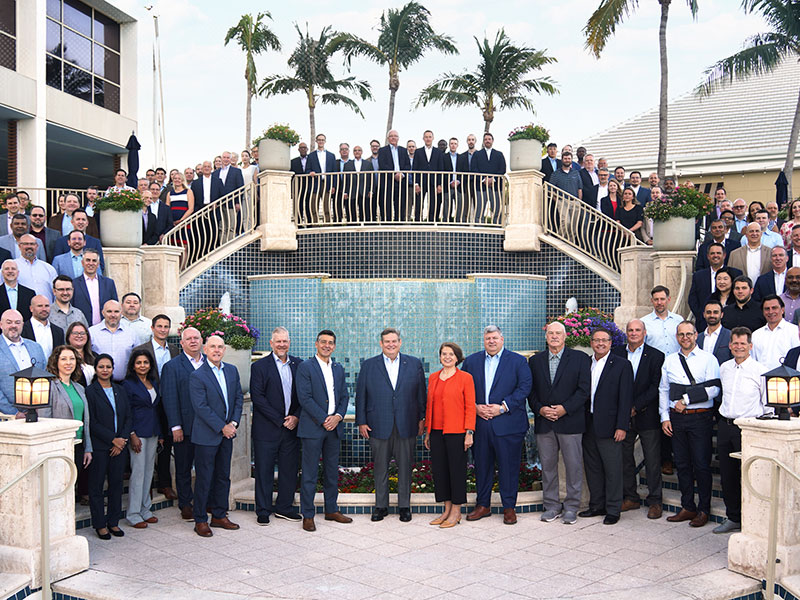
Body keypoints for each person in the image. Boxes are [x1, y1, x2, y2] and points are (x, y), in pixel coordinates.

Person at [462, 325, 532, 525]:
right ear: (483, 341)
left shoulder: (518, 361)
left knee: (509, 468)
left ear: (502, 339)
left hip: (508, 424)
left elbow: (525, 387)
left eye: (494, 338)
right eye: (487, 338)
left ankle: (509, 508)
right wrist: (475, 408)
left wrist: (502, 407)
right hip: (481, 423)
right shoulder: (472, 361)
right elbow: (463, 388)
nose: (491, 341)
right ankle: (483, 505)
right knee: (482, 466)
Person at [355, 328, 426, 523]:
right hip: (378, 424)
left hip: (407, 423)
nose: (391, 344)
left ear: (400, 342)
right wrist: (361, 421)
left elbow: (421, 394)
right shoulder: (369, 365)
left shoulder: (414, 364)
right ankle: (381, 506)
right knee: (380, 468)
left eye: (394, 341)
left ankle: (404, 506)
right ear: (381, 343)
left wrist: (422, 418)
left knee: (405, 467)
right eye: (387, 341)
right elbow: (361, 395)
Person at [528, 321, 591, 525]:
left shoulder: (580, 358)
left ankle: (572, 506)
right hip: (544, 422)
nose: (554, 336)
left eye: (558, 333)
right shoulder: (535, 361)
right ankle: (552, 506)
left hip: (570, 421)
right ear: (546, 337)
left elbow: (584, 390)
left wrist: (565, 408)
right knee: (548, 467)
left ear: (565, 337)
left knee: (573, 466)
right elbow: (531, 391)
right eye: (551, 333)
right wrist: (540, 409)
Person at [659, 321, 721, 528]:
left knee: (701, 465)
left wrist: (686, 399)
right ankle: (688, 506)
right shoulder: (670, 360)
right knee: (683, 464)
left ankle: (704, 509)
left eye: (689, 334)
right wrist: (664, 417)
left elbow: (714, 389)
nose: (685, 338)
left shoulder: (708, 359)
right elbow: (664, 390)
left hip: (700, 418)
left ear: (696, 335)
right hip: (676, 419)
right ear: (677, 337)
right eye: (681, 334)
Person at [715, 327, 769, 534]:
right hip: (725, 426)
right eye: (735, 343)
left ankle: (752, 521)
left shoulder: (760, 370)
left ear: (750, 346)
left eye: (743, 344)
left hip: (747, 428)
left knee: (748, 475)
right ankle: (733, 517)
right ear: (730, 346)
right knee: (727, 475)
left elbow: (767, 405)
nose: (739, 347)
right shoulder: (724, 368)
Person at [296, 330, 351, 532]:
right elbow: (305, 398)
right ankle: (308, 515)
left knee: (331, 472)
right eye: (323, 342)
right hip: (313, 428)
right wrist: (324, 419)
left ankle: (331, 509)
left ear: (334, 346)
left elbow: (344, 397)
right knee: (309, 473)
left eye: (331, 343)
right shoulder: (305, 367)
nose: (327, 345)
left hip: (334, 429)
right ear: (316, 344)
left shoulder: (338, 368)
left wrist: (337, 417)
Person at [189, 335, 244, 537]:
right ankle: (201, 519)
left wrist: (234, 423)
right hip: (207, 436)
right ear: (205, 349)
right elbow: (201, 407)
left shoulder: (231, 370)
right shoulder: (198, 375)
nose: (217, 350)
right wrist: (222, 427)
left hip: (227, 434)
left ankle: (219, 515)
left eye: (220, 347)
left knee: (223, 476)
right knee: (204, 478)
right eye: (212, 346)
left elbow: (238, 398)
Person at [578, 328, 632, 525]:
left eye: (604, 340)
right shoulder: (586, 363)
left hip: (610, 426)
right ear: (591, 343)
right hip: (588, 423)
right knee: (592, 467)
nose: (600, 343)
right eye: (596, 340)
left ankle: (613, 509)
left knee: (612, 469)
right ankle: (597, 505)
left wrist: (622, 426)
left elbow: (625, 398)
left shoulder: (621, 365)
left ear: (611, 343)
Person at [250, 327, 303, 525]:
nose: (282, 345)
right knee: (264, 470)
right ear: (271, 344)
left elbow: (305, 396)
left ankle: (284, 508)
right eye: (278, 341)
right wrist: (281, 419)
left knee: (289, 470)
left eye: (285, 341)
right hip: (267, 428)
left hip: (292, 429)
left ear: (289, 343)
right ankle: (263, 510)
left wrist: (296, 417)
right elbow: (258, 398)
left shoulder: (299, 365)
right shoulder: (259, 367)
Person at [612, 319, 665, 519]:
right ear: (626, 333)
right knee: (625, 458)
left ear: (644, 333)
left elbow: (655, 386)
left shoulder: (656, 356)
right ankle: (631, 498)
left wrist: (635, 406)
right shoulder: (617, 353)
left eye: (637, 330)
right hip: (623, 417)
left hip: (647, 415)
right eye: (630, 330)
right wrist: (624, 409)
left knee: (652, 460)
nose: (633, 333)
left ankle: (655, 501)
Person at [424, 342, 475, 528]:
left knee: (456, 471)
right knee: (440, 471)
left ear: (457, 357)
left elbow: (470, 406)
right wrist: (428, 432)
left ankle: (456, 511)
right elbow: (430, 406)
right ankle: (446, 510)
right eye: (444, 354)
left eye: (451, 354)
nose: (447, 357)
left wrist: (469, 433)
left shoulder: (465, 378)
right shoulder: (434, 377)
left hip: (457, 432)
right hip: (436, 432)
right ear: (439, 356)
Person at [160, 327, 205, 521]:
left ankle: (204, 501)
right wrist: (175, 426)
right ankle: (186, 504)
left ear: (201, 341)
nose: (193, 341)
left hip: (207, 427)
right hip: (184, 427)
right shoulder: (172, 366)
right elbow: (169, 398)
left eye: (196, 338)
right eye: (189, 339)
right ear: (182, 342)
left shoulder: (209, 363)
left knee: (205, 467)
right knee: (183, 467)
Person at [134, 315, 179, 501]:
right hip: (147, 402)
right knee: (147, 444)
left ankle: (164, 483)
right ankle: (146, 485)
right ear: (152, 328)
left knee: (166, 443)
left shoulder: (175, 350)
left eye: (166, 326)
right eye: (159, 326)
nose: (162, 329)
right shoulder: (141, 350)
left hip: (168, 402)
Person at [86, 354, 131, 539]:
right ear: (95, 369)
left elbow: (128, 417)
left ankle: (113, 522)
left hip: (119, 446)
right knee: (96, 487)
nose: (105, 370)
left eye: (108, 367)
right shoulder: (90, 391)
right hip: (100, 446)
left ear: (113, 369)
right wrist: (113, 439)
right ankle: (99, 524)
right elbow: (92, 422)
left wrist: (122, 440)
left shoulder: (120, 390)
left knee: (116, 485)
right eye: (101, 367)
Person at [46, 344, 92, 504]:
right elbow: (45, 420)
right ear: (55, 362)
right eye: (63, 359)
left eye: (72, 359)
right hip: (59, 446)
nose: (68, 362)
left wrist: (88, 448)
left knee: (72, 484)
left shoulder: (79, 388)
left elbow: (86, 420)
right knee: (60, 487)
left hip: (78, 444)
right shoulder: (49, 387)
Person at [122, 349, 162, 528]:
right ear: (133, 365)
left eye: (145, 362)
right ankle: (133, 513)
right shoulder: (128, 384)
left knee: (148, 473)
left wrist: (160, 433)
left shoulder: (153, 381)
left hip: (152, 431)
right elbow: (126, 412)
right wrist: (132, 434)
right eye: (139, 363)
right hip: (137, 433)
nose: (142, 366)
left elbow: (156, 409)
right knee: (137, 474)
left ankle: (146, 509)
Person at [0, 309, 47, 415]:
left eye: (17, 322)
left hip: (37, 413)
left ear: (22, 324)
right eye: (9, 322)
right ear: (1, 324)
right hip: (5, 418)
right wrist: (14, 413)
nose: (13, 326)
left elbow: (45, 377)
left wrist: (40, 409)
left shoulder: (36, 347)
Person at [688, 243, 741, 330]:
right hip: (704, 323)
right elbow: (692, 299)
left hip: (731, 323)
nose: (715, 255)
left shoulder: (736, 273)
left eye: (718, 253)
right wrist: (703, 315)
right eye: (712, 253)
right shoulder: (698, 276)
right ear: (708, 256)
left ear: (724, 255)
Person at [89, 300, 136, 382]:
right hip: (99, 384)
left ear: (121, 313)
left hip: (125, 384)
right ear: (103, 313)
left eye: (116, 311)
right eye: (109, 311)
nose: (113, 315)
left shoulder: (131, 333)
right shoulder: (92, 333)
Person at [751, 295, 800, 369]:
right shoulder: (756, 335)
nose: (770, 312)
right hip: (761, 378)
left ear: (782, 310)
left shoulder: (794, 331)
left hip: (787, 378)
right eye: (767, 309)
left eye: (774, 308)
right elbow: (753, 360)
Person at [72, 249, 118, 326]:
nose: (91, 263)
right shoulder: (74, 284)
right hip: (81, 328)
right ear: (82, 263)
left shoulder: (109, 283)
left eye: (94, 261)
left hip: (104, 328)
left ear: (98, 264)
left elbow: (115, 305)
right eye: (88, 260)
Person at [471, 133, 506, 224]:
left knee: (497, 209)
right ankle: (479, 229)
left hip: (496, 187)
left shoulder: (499, 154)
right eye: (485, 139)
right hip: (481, 187)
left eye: (489, 139)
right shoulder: (477, 154)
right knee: (479, 209)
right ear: (483, 141)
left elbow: (502, 169)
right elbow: (474, 169)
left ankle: (497, 228)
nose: (487, 141)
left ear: (492, 141)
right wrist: (484, 179)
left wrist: (492, 179)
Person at [377, 130, 411, 222]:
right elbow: (382, 165)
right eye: (391, 136)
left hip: (401, 181)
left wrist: (402, 174)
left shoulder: (403, 150)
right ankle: (386, 225)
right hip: (388, 181)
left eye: (395, 136)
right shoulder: (382, 150)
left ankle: (399, 224)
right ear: (388, 138)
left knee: (400, 203)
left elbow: (408, 165)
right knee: (386, 203)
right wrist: (394, 174)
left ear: (398, 138)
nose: (393, 138)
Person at [305, 134, 338, 223]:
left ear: (325, 141)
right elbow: (307, 169)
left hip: (326, 184)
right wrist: (310, 172)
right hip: (315, 184)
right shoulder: (311, 156)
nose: (321, 141)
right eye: (319, 140)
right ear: (316, 141)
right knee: (313, 206)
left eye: (322, 140)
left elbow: (334, 172)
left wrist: (333, 185)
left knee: (326, 207)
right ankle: (315, 226)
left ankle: (326, 226)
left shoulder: (331, 156)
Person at [641, 286, 682, 356]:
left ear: (668, 299)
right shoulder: (644, 322)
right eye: (656, 299)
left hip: (675, 364)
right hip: (654, 365)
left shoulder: (679, 320)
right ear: (652, 301)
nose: (659, 302)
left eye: (662, 299)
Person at [14, 234, 57, 301]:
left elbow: (56, 292)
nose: (29, 246)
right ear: (19, 246)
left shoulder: (48, 268)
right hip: (22, 309)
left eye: (32, 244)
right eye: (26, 244)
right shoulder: (12, 267)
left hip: (46, 310)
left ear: (37, 246)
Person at [697, 300, 733, 366]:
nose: (712, 315)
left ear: (721, 314)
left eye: (715, 312)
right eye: (708, 312)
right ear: (704, 315)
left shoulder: (730, 336)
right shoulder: (698, 338)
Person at [165, 170, 193, 240]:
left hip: (184, 222)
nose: (177, 180)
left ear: (182, 180)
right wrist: (171, 221)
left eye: (179, 178)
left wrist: (181, 220)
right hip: (172, 223)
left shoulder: (188, 191)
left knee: (184, 244)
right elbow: (167, 209)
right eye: (175, 178)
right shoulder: (169, 193)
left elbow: (191, 208)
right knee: (173, 242)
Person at [66, 321, 96, 386]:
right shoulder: (63, 357)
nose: (79, 336)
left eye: (82, 333)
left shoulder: (95, 356)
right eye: (75, 333)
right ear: (68, 336)